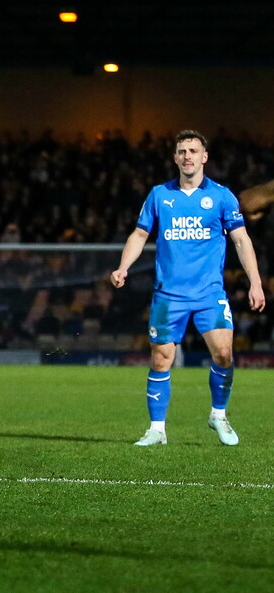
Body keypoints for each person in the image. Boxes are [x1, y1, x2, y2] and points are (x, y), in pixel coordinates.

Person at [110, 130, 265, 447]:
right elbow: (140, 235)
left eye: (193, 150)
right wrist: (123, 266)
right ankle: (157, 429)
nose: (188, 156)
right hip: (169, 295)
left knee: (223, 353)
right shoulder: (159, 195)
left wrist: (256, 282)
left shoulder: (222, 197)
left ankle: (218, 415)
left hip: (210, 294)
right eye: (181, 151)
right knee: (161, 358)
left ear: (204, 157)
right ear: (175, 158)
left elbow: (240, 240)